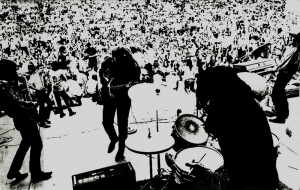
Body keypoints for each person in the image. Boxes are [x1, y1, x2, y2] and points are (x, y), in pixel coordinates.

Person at [196, 66, 279, 190]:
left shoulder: (226, 108)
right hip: (265, 174)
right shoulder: (245, 99)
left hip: (248, 177)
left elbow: (212, 128)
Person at [0, 61, 52, 184]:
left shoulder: (7, 84)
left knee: (25, 144)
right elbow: (14, 104)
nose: (15, 72)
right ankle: (36, 174)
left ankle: (13, 171)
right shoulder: (3, 87)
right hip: (23, 118)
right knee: (37, 144)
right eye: (13, 70)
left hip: (23, 117)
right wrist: (29, 105)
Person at [99, 47, 140, 162]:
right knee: (106, 122)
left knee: (123, 126)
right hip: (110, 97)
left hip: (124, 98)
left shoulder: (133, 66)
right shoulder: (109, 61)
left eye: (118, 58)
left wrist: (122, 87)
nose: (115, 60)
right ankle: (113, 138)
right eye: (114, 58)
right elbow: (102, 72)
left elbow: (135, 84)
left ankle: (120, 151)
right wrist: (105, 81)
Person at [269, 32, 300, 124]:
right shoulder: (297, 50)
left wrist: (275, 68)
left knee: (276, 92)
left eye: (294, 39)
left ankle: (281, 116)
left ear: (297, 41)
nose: (292, 40)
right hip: (288, 73)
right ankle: (283, 113)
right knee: (280, 92)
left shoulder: (293, 50)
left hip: (285, 72)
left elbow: (284, 62)